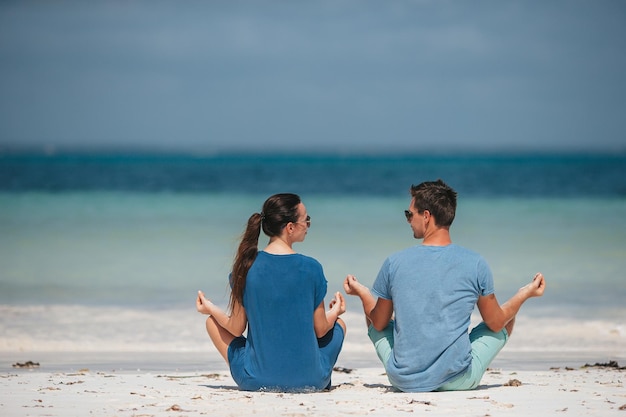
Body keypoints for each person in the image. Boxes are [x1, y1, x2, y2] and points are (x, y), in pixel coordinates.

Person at [343, 179, 546, 392]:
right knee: (504, 318)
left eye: (409, 214)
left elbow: (378, 323)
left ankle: (366, 294)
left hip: (405, 381)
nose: (408, 220)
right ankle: (521, 295)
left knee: (375, 317)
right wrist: (523, 295)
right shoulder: (475, 263)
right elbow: (495, 324)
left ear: (427, 216)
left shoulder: (394, 262)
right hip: (458, 380)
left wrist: (363, 294)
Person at [196, 193, 346, 392]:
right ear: (290, 227)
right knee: (339, 324)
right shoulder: (311, 268)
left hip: (256, 380)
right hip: (311, 380)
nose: (308, 225)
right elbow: (320, 329)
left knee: (211, 322)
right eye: (306, 220)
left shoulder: (246, 267)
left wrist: (211, 309)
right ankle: (312, 372)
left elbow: (235, 327)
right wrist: (336, 312)